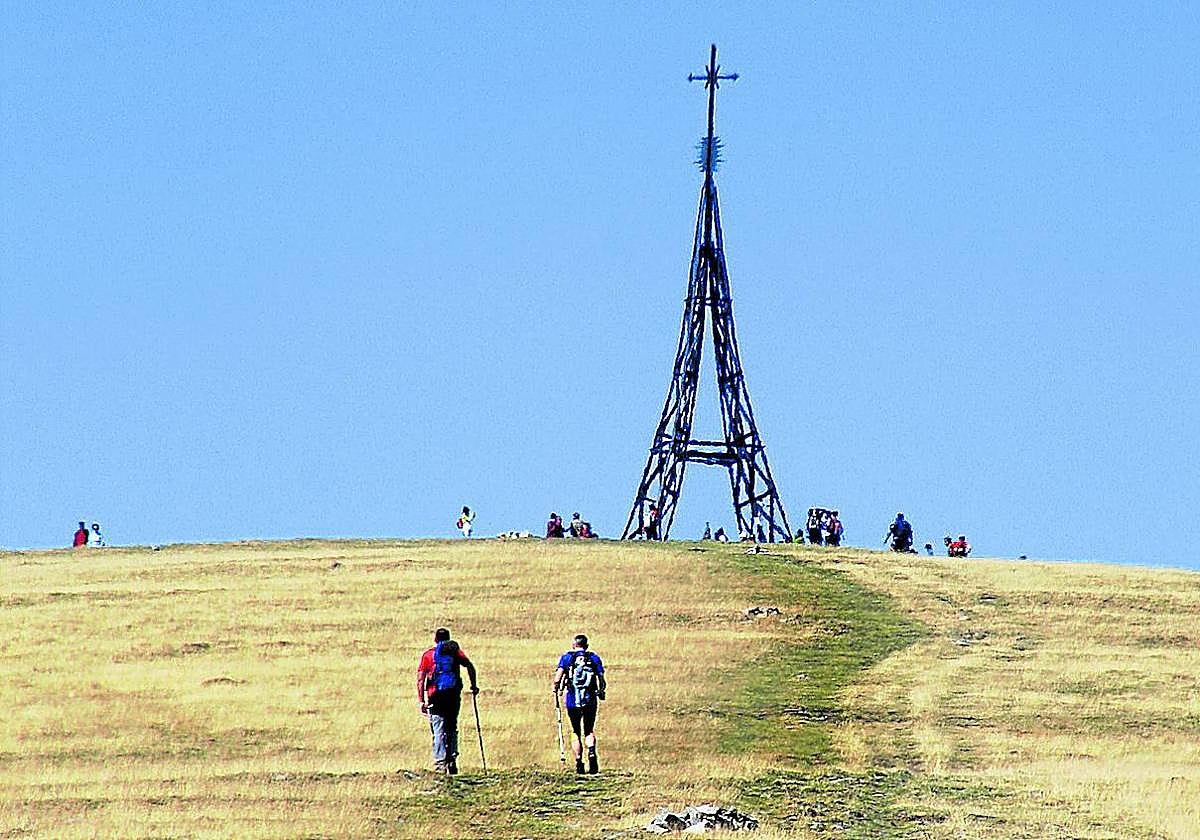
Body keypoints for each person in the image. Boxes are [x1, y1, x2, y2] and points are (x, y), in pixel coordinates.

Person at [416, 627, 479, 774]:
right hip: (452, 695)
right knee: (451, 727)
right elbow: (469, 665)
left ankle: (439, 764)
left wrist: (421, 700)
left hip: (435, 696)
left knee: (438, 730)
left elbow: (420, 679)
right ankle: (452, 758)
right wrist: (473, 686)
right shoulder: (454, 652)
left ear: (435, 639)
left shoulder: (428, 655)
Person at [552, 634, 606, 775]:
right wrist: (601, 691)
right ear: (586, 645)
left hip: (572, 701)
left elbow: (557, 678)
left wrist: (556, 689)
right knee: (589, 730)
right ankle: (592, 752)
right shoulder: (593, 658)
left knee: (575, 731)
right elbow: (601, 679)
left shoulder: (567, 658)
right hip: (589, 700)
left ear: (573, 645)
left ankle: (578, 761)